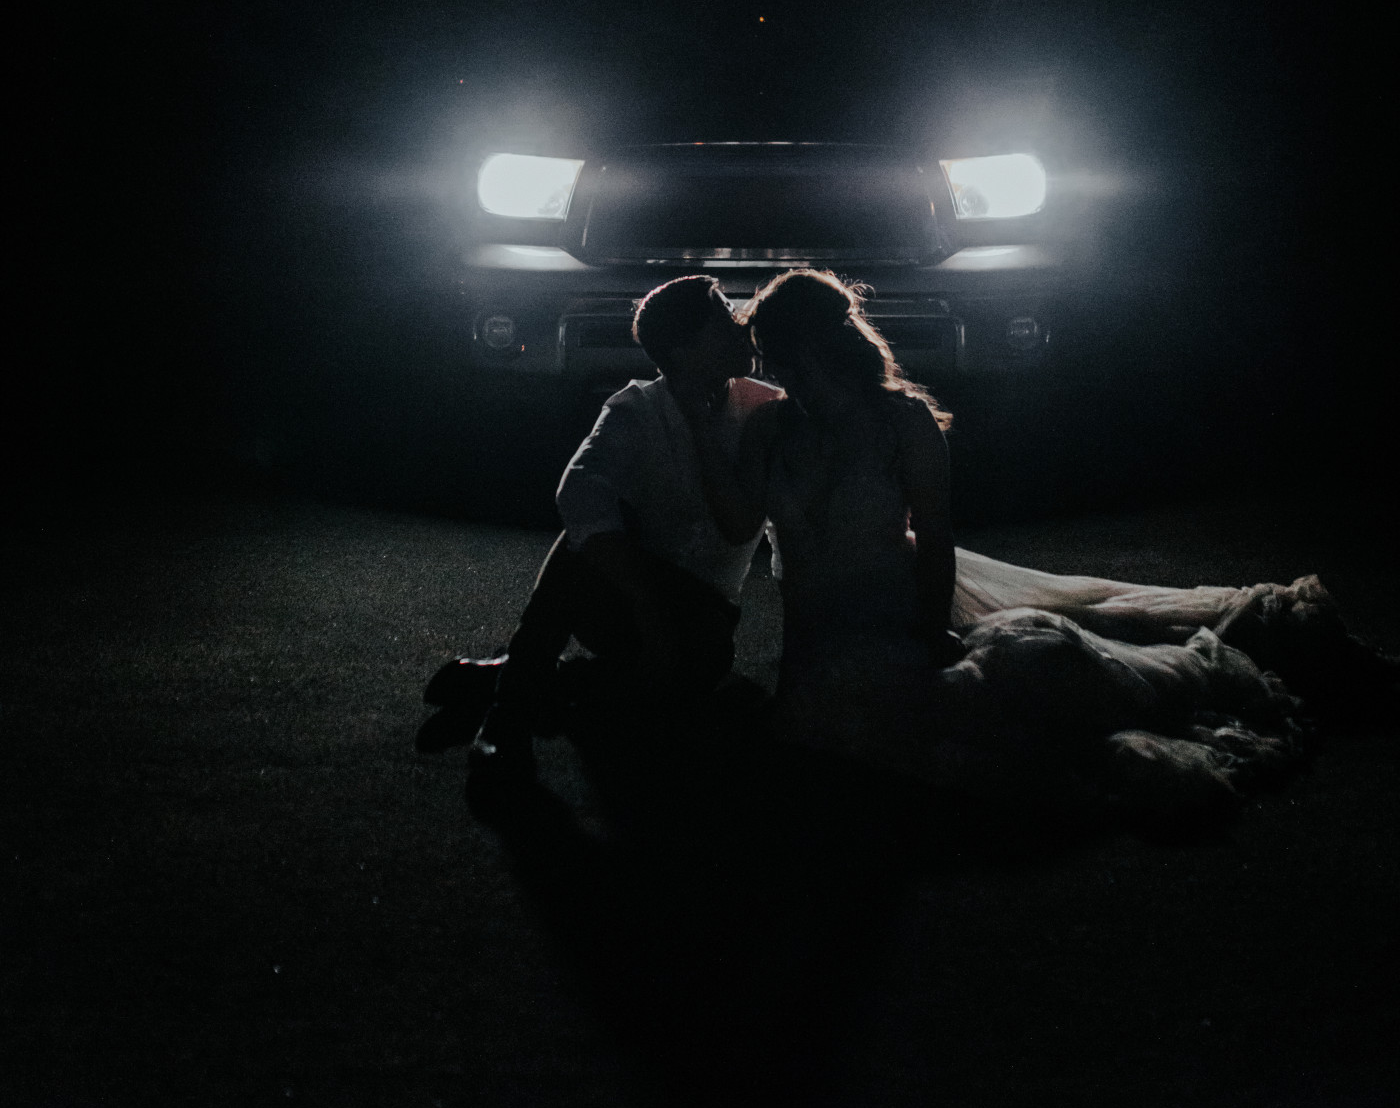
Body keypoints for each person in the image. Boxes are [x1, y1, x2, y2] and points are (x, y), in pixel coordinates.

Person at [677, 269, 1366, 821]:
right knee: (840, 730)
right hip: (816, 648)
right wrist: (708, 433)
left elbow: (937, 536)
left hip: (893, 618)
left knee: (1030, 701)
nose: (765, 364)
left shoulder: (901, 422)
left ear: (809, 348)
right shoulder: (768, 429)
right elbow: (740, 525)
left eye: (774, 350)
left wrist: (928, 633)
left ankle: (1279, 658)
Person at [424, 275, 782, 796]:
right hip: (625, 602)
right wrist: (648, 611)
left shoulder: (763, 407)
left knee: (666, 681)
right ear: (684, 351)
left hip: (704, 616)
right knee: (580, 544)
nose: (742, 324)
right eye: (725, 317)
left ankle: (516, 679)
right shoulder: (637, 409)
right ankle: (509, 714)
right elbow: (578, 495)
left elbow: (746, 524)